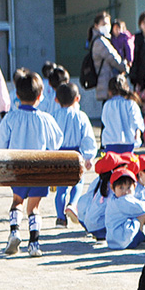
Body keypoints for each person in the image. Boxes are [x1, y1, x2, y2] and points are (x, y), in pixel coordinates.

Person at [0, 69, 62, 258]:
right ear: (40, 96)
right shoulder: (46, 119)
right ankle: (34, 244)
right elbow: (56, 142)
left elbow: (0, 144)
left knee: (17, 202)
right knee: (34, 208)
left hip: (17, 167)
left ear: (17, 95)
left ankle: (14, 232)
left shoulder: (11, 118)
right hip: (39, 168)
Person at [50, 82, 97, 226]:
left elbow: (50, 137)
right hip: (76, 154)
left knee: (61, 188)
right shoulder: (81, 116)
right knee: (78, 182)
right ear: (77, 98)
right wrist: (88, 156)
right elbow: (88, 137)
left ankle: (60, 218)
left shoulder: (53, 116)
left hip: (59, 155)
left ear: (56, 99)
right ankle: (72, 204)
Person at [105, 168, 145, 250]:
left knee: (137, 217)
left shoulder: (113, 200)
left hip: (113, 241)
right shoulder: (123, 200)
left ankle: (141, 237)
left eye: (128, 188)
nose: (125, 192)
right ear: (112, 188)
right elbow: (142, 208)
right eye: (121, 188)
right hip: (123, 240)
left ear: (134, 186)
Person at [89, 11, 128, 103]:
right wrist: (125, 66)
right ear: (96, 26)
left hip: (107, 85)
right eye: (104, 24)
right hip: (107, 86)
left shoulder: (105, 39)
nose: (107, 27)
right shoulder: (100, 42)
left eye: (108, 24)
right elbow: (113, 58)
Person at [101, 74, 144, 154]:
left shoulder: (107, 105)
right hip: (128, 142)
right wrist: (137, 132)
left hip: (111, 142)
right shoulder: (131, 104)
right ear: (126, 88)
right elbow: (136, 120)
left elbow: (104, 120)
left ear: (109, 91)